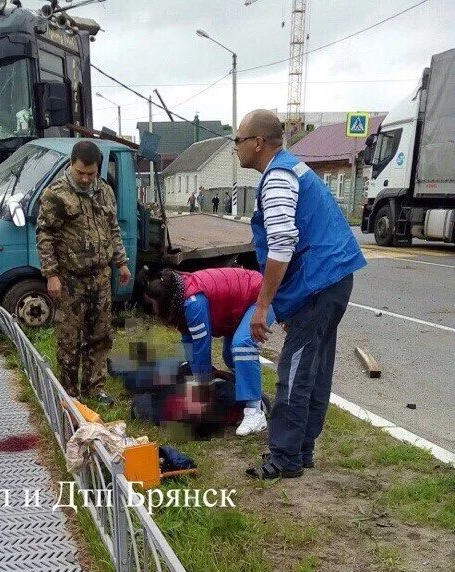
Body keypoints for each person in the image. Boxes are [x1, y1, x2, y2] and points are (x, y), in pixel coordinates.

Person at [234, 109, 366, 479]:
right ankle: (302, 450)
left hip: (320, 282)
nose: (236, 147)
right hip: (330, 280)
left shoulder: (277, 178)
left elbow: (281, 245)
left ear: (258, 143)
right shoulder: (292, 168)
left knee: (294, 369)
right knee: (314, 366)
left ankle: (285, 457)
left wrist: (263, 307)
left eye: (238, 140)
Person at [36, 139, 132, 400]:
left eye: (91, 173)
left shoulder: (105, 191)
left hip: (100, 276)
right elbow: (45, 235)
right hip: (70, 279)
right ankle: (69, 394)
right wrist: (51, 275)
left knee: (100, 335)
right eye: (81, 173)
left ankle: (95, 388)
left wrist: (121, 263)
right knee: (69, 339)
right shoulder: (56, 194)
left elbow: (112, 229)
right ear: (71, 165)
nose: (86, 179)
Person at [145, 267, 275, 435]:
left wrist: (202, 387)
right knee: (230, 357)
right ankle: (247, 392)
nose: (155, 312)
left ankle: (254, 411)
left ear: (165, 301)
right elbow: (188, 343)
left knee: (242, 346)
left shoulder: (193, 303)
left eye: (155, 307)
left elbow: (201, 348)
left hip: (259, 296)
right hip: (239, 302)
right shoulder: (180, 297)